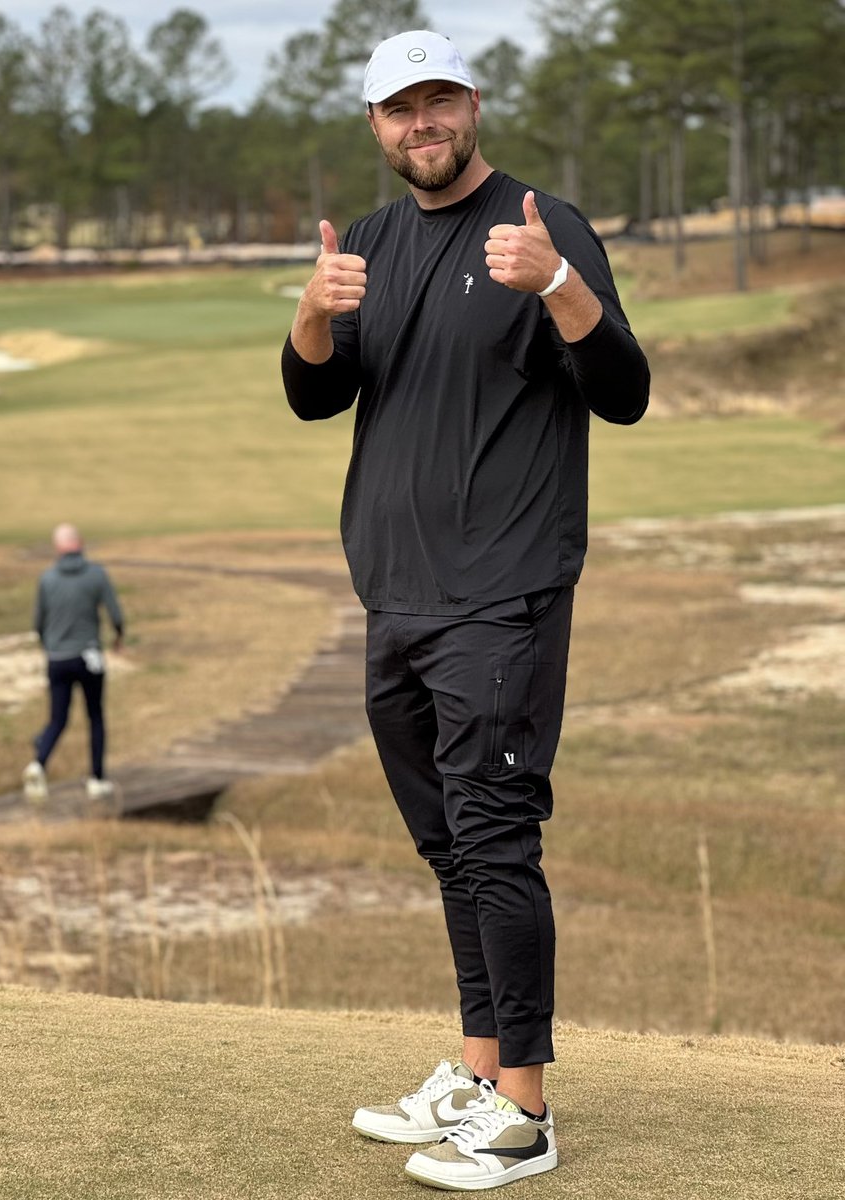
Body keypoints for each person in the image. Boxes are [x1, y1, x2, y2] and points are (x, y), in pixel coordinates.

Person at [280, 30, 649, 1193]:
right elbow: (313, 395)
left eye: (439, 100)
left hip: (504, 590)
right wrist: (309, 311)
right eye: (399, 108)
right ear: (376, 124)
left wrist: (559, 284)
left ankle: (527, 1119)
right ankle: (480, 1076)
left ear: (473, 105)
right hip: (394, 594)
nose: (421, 123)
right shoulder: (375, 243)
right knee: (450, 846)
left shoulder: (540, 223)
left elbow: (626, 392)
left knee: (494, 836)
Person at [23, 523, 124, 803]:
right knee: (95, 717)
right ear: (80, 544)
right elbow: (115, 612)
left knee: (58, 718)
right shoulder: (96, 574)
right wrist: (119, 636)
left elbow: (38, 623)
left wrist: (49, 646)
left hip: (57, 658)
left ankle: (38, 763)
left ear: (58, 548)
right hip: (89, 656)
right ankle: (97, 779)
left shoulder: (47, 579)